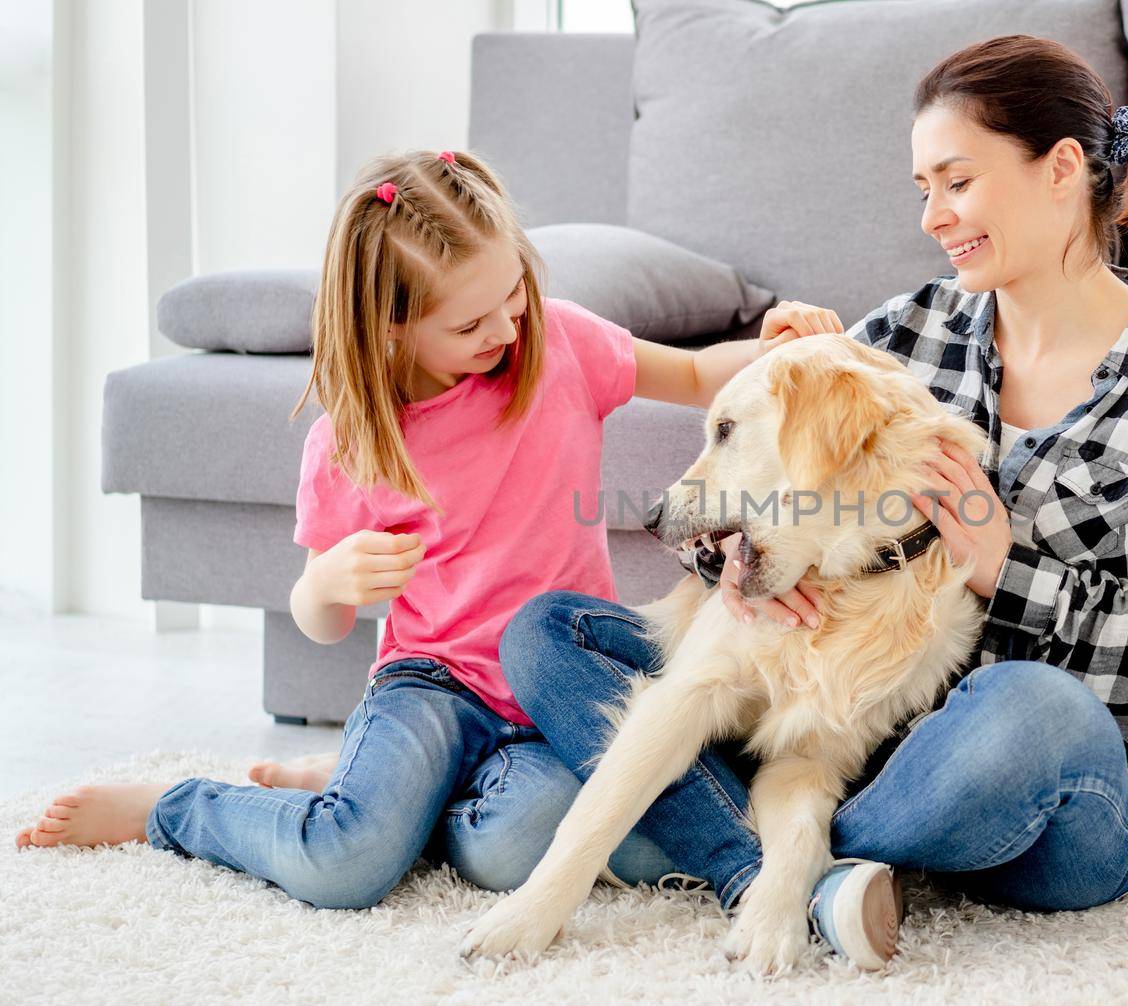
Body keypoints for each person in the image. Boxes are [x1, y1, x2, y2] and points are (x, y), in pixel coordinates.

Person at [498, 34, 1128, 969]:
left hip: (1051, 788)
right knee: (547, 632)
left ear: (1062, 169)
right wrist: (743, 569)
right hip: (860, 729)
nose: (936, 216)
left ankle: (735, 836)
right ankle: (787, 869)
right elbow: (761, 472)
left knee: (1025, 703)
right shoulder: (905, 331)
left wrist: (1006, 570)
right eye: (922, 190)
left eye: (957, 181)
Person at [12, 148, 838, 910]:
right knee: (344, 866)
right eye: (472, 324)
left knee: (515, 849)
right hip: (432, 684)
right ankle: (179, 808)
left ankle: (375, 788)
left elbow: (694, 375)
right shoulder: (350, 444)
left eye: (513, 294)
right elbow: (320, 619)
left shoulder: (558, 347)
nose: (508, 329)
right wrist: (326, 582)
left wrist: (775, 349)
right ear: (391, 324)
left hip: (553, 692)